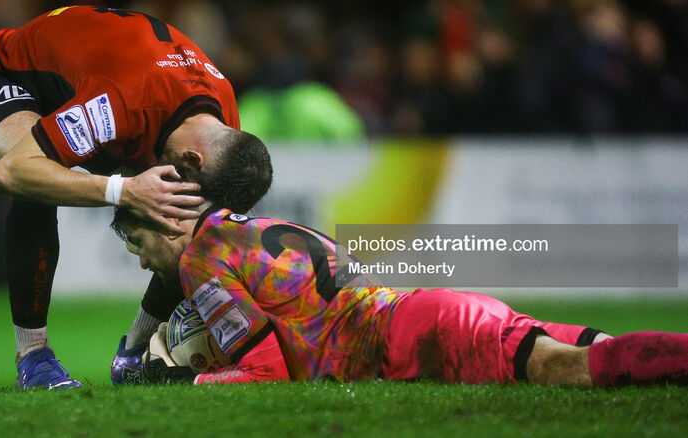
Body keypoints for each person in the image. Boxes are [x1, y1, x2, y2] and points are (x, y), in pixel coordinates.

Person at [0, 5, 272, 389]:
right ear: (191, 159)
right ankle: (34, 357)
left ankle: (133, 356)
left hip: (93, 86)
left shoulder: (222, 126)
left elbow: (191, 227)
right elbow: (9, 174)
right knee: (35, 181)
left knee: (186, 226)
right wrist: (125, 190)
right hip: (5, 77)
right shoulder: (120, 102)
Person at [110, 177, 688, 387]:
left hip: (416, 336)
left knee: (565, 370)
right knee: (608, 353)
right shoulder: (246, 225)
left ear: (164, 221)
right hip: (424, 313)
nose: (141, 261)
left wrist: (191, 384)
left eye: (137, 244)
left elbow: (268, 370)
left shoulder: (199, 262)